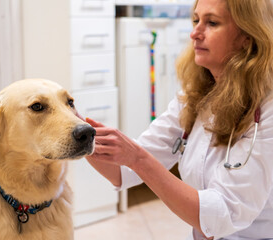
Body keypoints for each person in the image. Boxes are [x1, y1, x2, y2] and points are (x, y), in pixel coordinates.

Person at [85, 0, 273, 239]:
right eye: (196, 20)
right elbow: (121, 171)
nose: (195, 33)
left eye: (212, 23)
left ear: (248, 36)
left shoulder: (267, 110)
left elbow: (221, 214)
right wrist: (74, 129)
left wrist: (139, 159)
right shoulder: (195, 96)